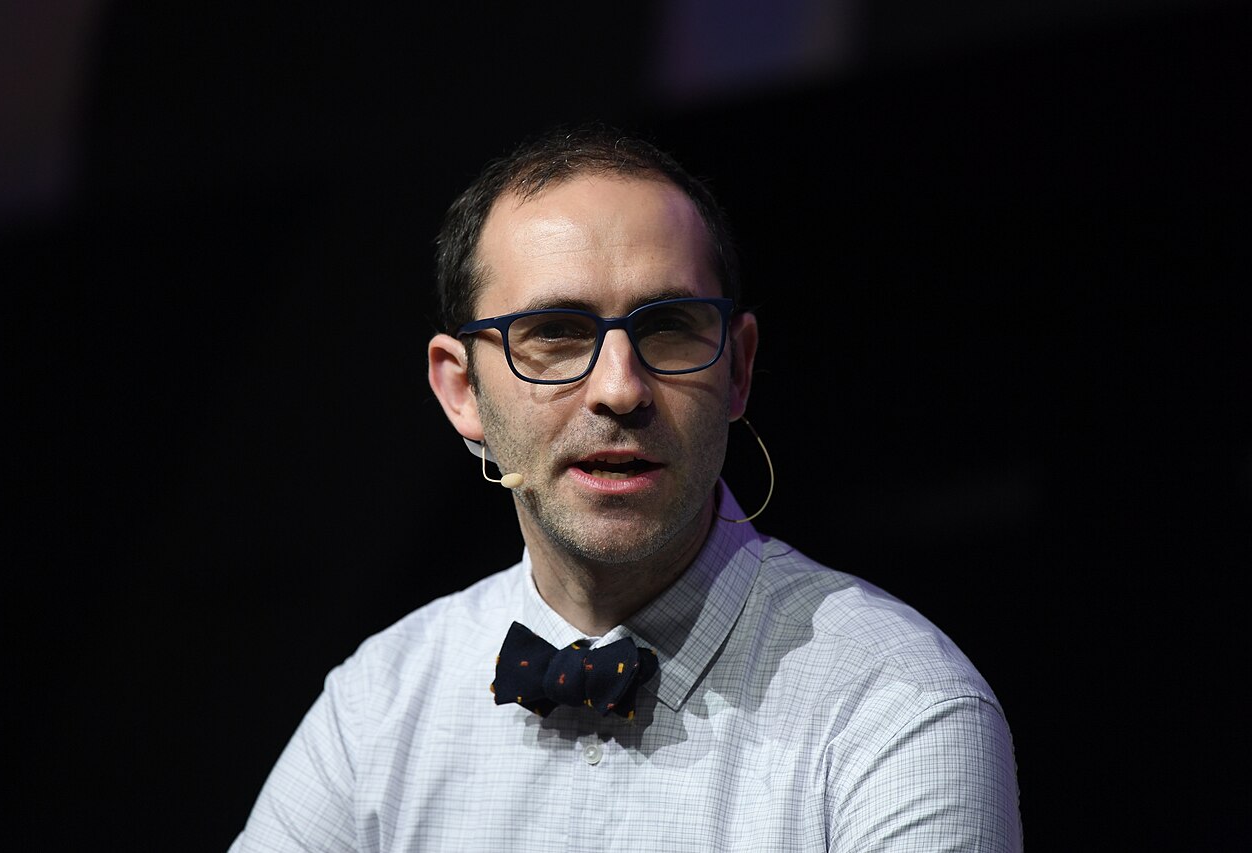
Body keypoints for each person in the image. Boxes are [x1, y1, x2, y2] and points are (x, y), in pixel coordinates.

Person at [229, 126, 1023, 851]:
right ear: (462, 390)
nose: (620, 387)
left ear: (739, 368)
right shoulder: (378, 704)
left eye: (668, 326)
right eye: (555, 333)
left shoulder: (899, 703)